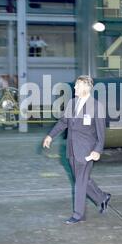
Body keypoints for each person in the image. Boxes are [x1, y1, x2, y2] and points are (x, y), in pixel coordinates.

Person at [43, 75, 111, 225]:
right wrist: (50, 136)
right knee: (83, 180)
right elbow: (63, 122)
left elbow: (101, 132)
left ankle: (78, 214)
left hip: (87, 150)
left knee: (80, 182)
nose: (74, 88)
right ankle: (102, 197)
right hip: (72, 148)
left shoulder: (96, 106)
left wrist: (97, 150)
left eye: (78, 85)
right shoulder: (72, 103)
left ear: (86, 87)